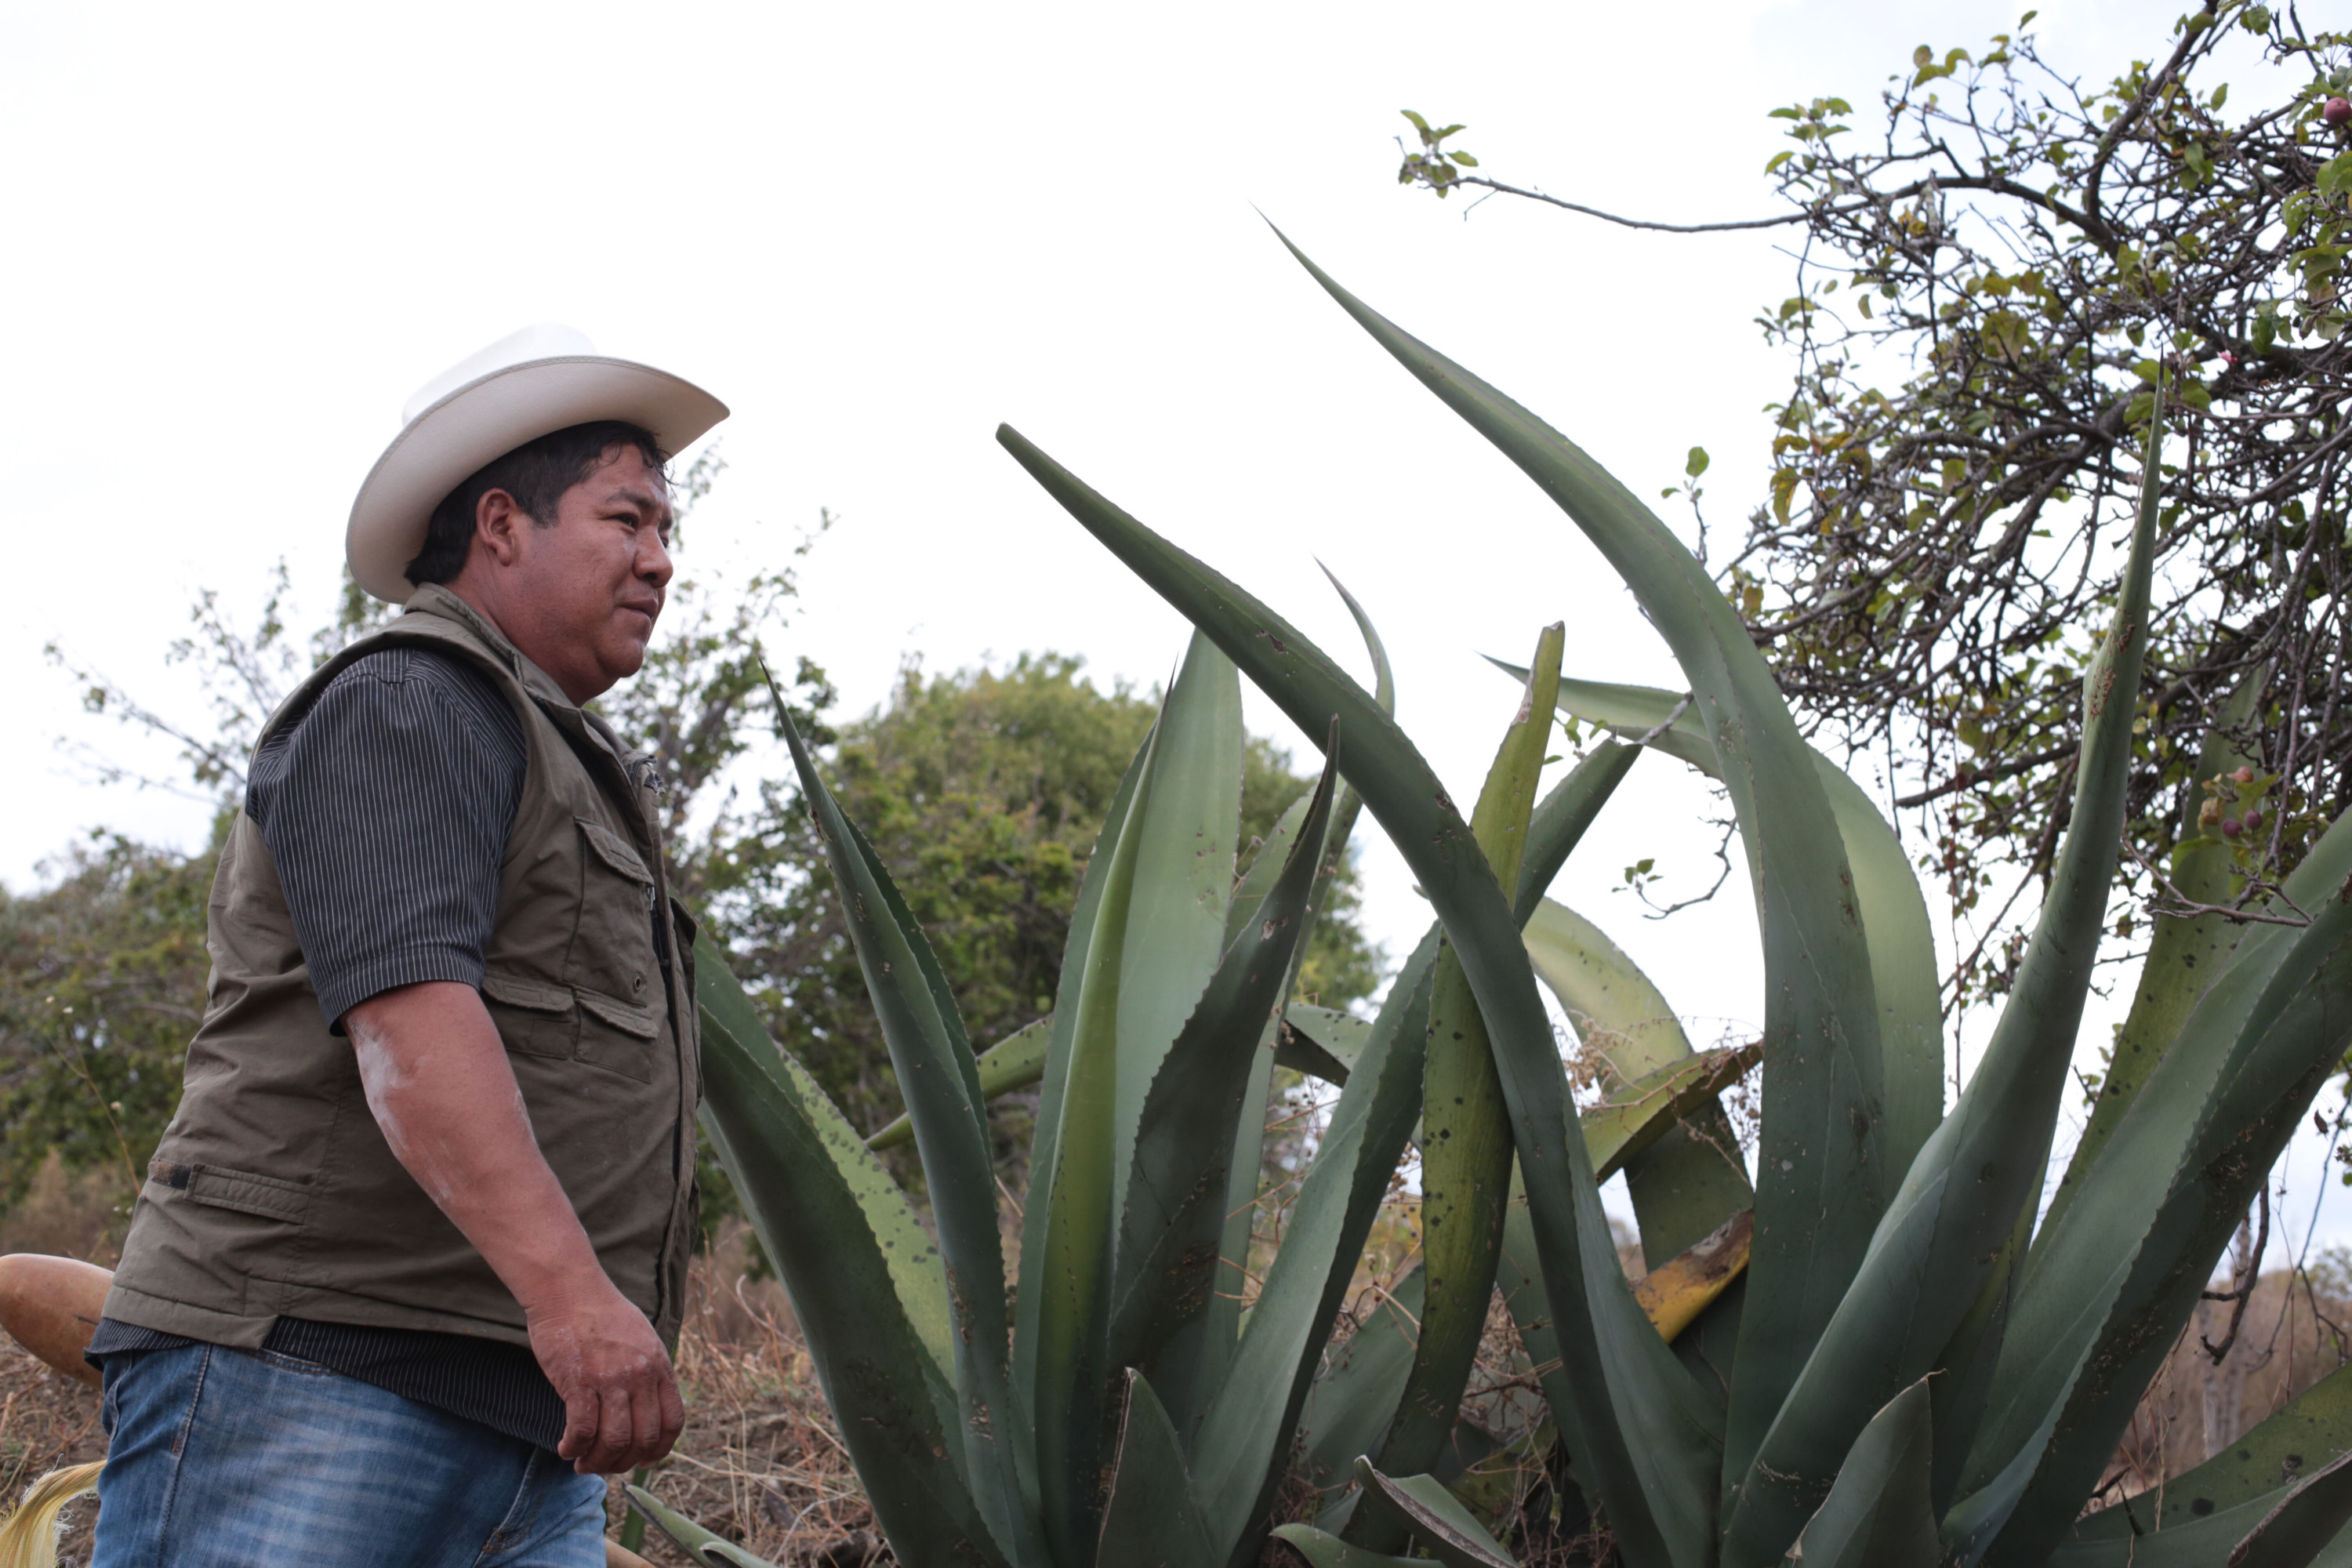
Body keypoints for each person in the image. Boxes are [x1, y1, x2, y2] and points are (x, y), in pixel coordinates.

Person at [85, 325, 728, 1567]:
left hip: (521, 1430)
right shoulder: (407, 700)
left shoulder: (543, 747)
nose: (659, 562)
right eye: (627, 520)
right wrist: (577, 1300)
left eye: (667, 534)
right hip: (314, 1383)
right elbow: (411, 1023)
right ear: (500, 524)